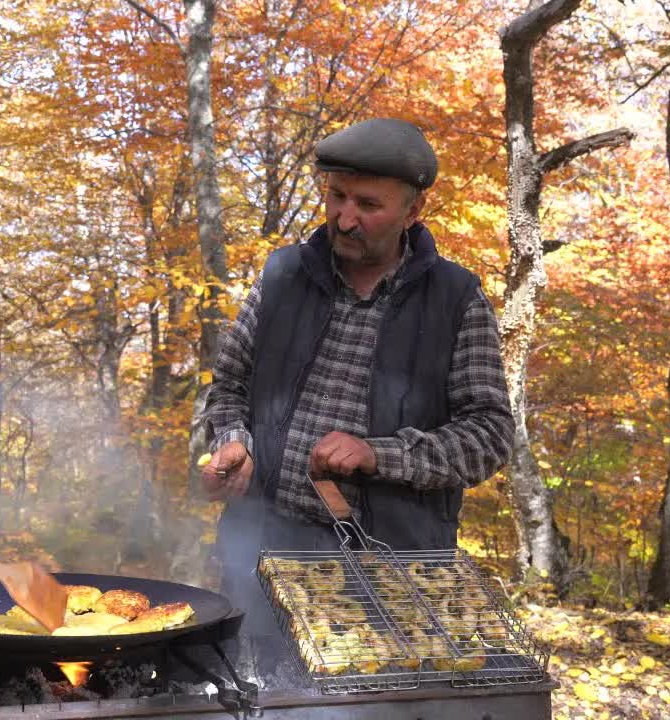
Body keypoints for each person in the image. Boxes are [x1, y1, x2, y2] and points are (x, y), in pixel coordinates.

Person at [200, 118, 514, 639]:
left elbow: (489, 436)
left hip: (390, 574)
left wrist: (380, 454)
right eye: (336, 196)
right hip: (262, 553)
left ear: (414, 211)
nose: (345, 219)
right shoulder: (282, 278)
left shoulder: (455, 300)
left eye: (368, 205)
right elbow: (228, 385)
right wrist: (234, 443)